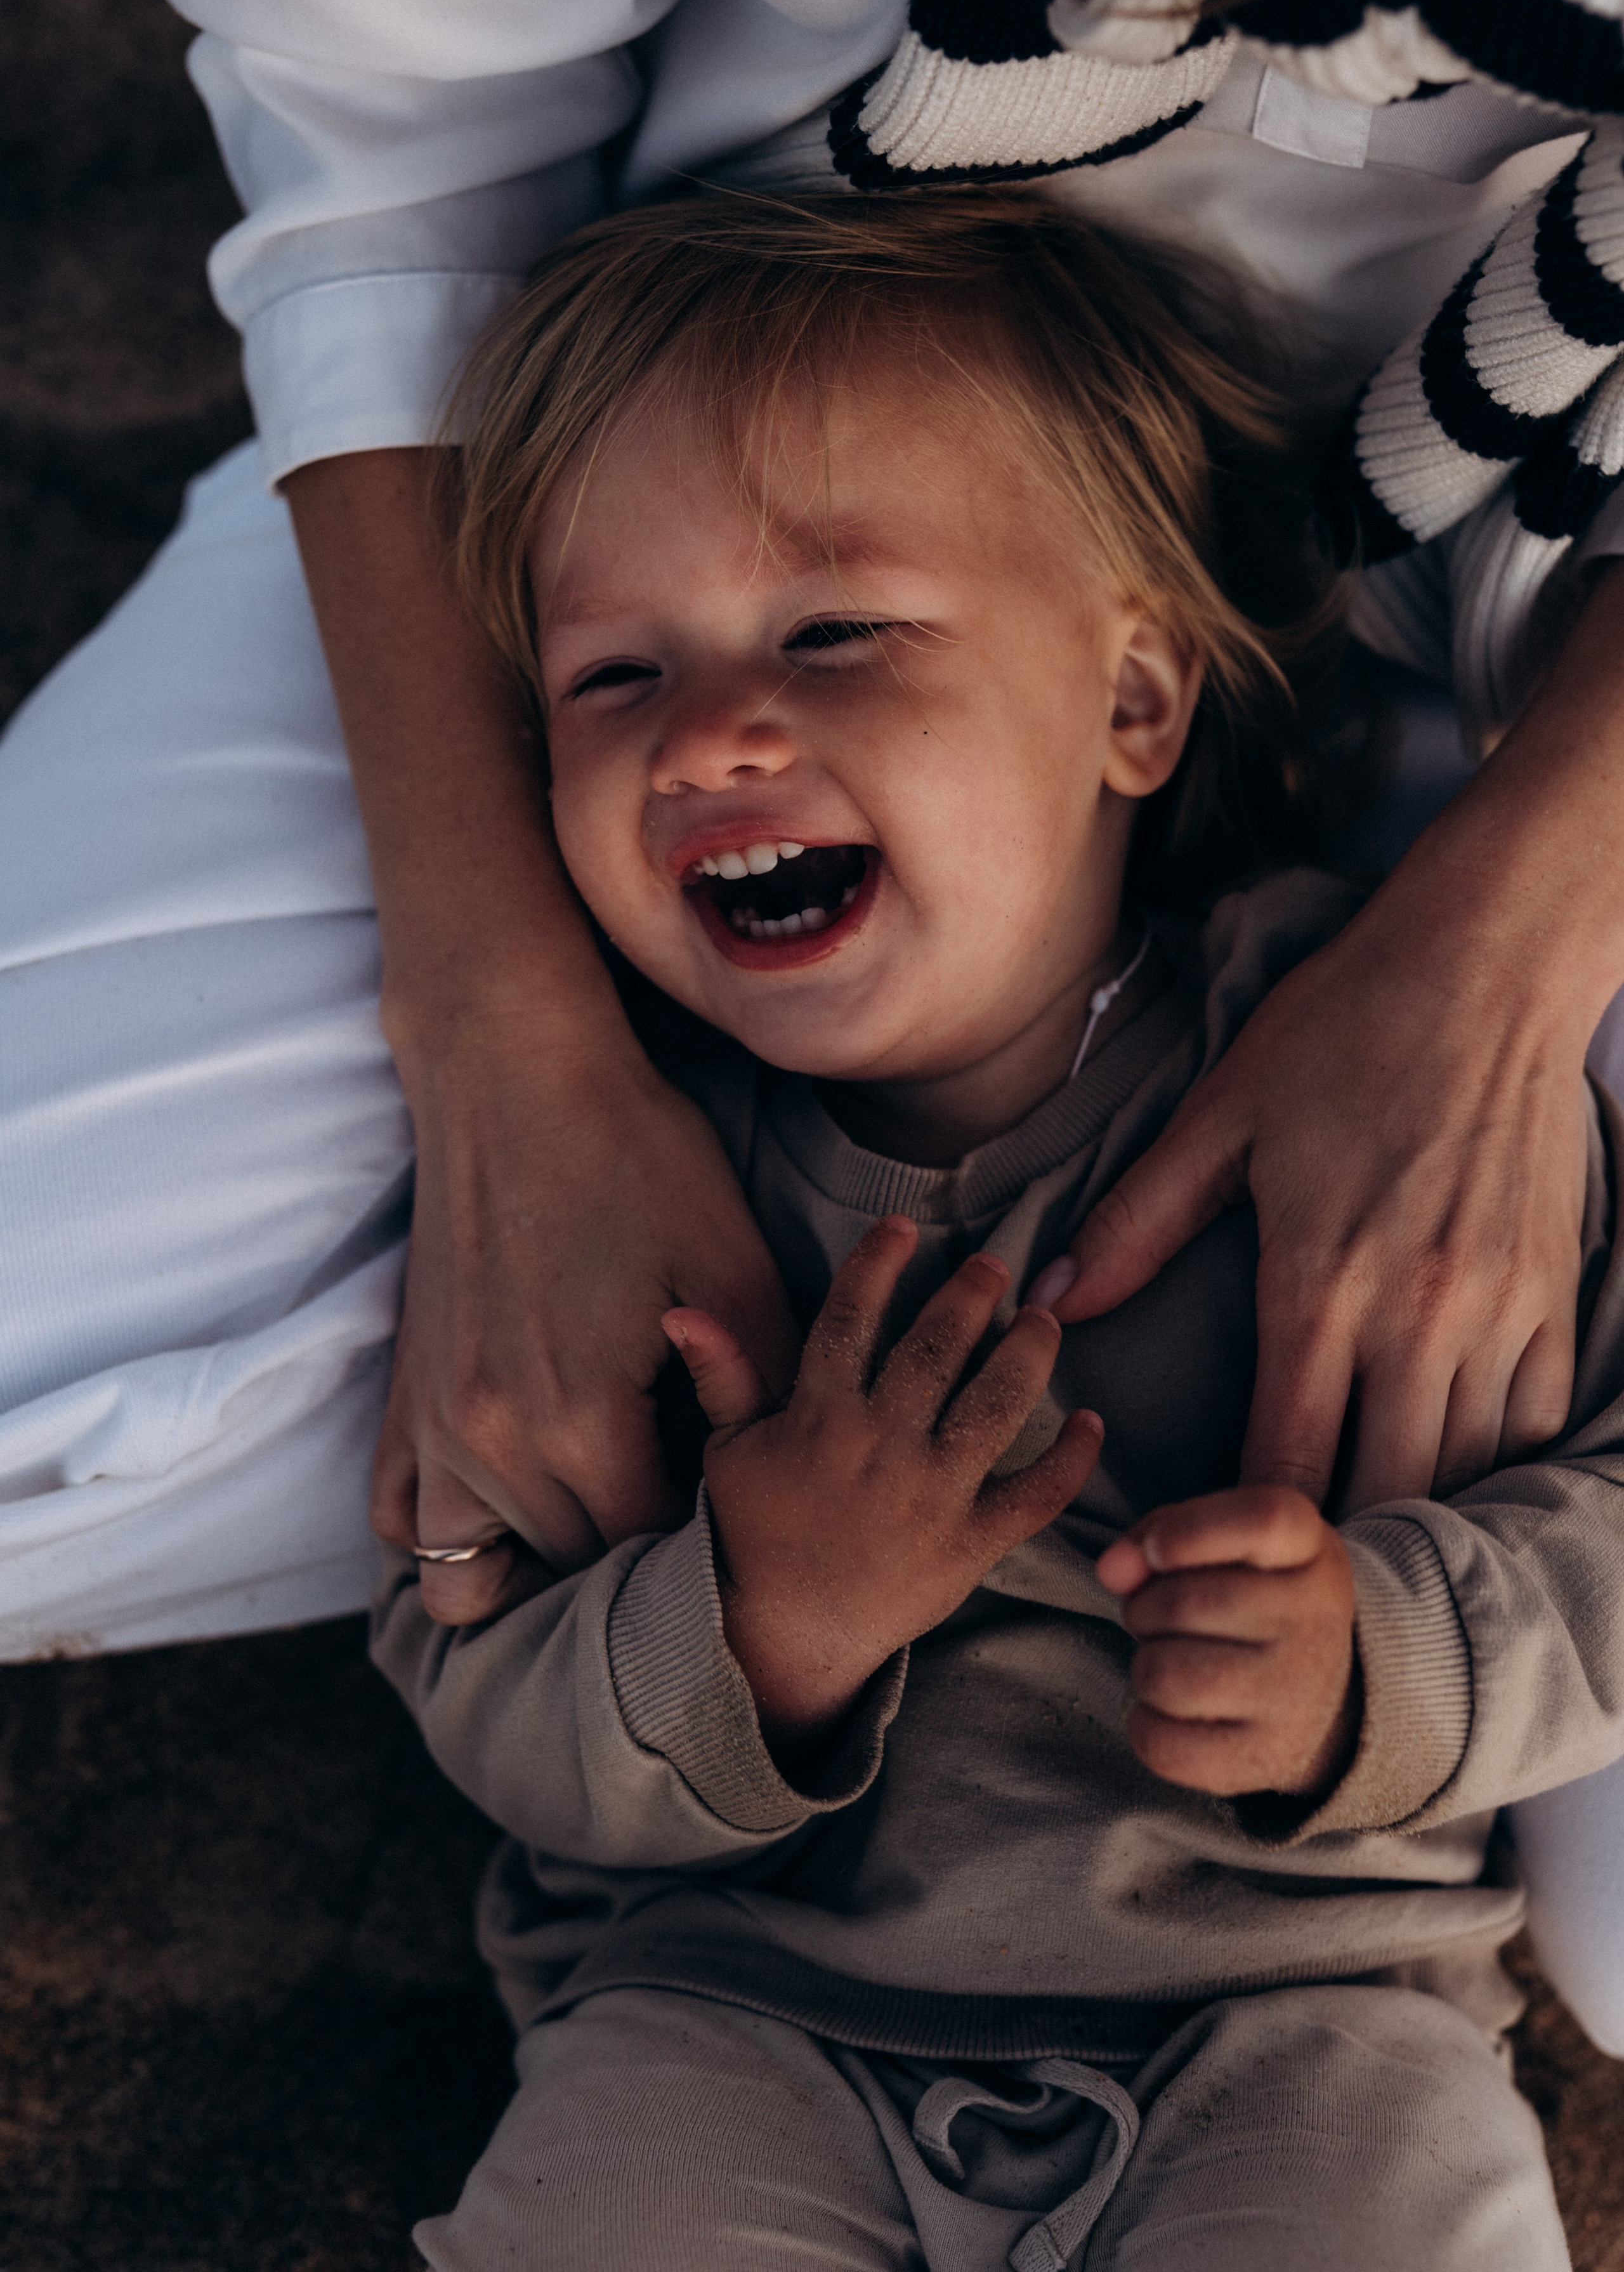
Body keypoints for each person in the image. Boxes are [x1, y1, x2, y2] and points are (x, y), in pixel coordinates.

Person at [1, 0, 1621, 2044]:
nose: (712, 753)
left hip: (1548, 576)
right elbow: (394, 158)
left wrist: (1507, 943)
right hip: (674, 437)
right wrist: (509, 1038)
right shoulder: (691, 734)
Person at [372, 187, 1617, 2269]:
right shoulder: (620, 1173)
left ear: (1134, 700)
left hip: (1303, 2014)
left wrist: (1381, 1665)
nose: (707, 736)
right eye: (610, 675)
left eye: (834, 630)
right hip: (733, 2015)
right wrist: (754, 1628)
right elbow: (466, 1661)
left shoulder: (1350, 1075)